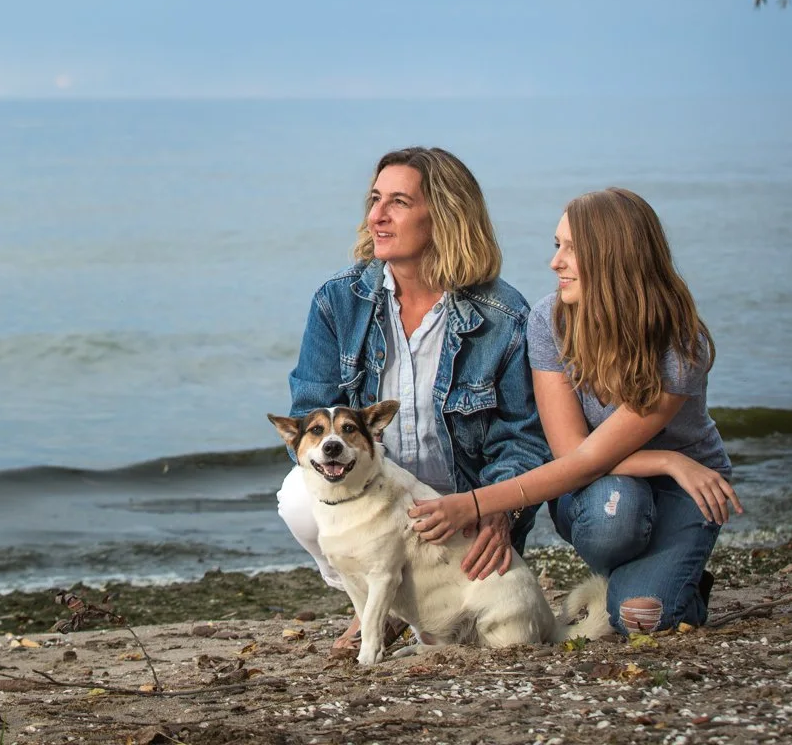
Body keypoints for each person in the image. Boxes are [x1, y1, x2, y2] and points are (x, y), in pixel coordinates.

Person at [407, 187, 743, 635]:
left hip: (684, 490)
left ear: (614, 258)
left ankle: (671, 581)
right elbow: (574, 454)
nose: (555, 262)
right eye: (556, 245)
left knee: (639, 620)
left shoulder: (680, 346)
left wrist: (469, 505)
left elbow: (589, 456)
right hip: (600, 491)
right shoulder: (550, 321)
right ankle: (645, 571)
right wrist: (668, 458)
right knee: (615, 511)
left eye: (571, 249)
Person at [280, 147, 552, 648]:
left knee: (467, 636)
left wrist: (495, 507)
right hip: (377, 494)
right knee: (298, 498)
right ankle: (373, 603)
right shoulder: (337, 301)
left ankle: (419, 600)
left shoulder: (502, 315)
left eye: (398, 202)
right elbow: (306, 419)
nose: (377, 216)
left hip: (463, 500)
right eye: (375, 199)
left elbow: (523, 439)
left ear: (445, 216)